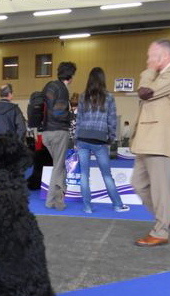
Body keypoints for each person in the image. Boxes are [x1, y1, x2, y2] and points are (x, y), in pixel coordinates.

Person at [130, 39, 170, 247]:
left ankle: (162, 230)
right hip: (145, 141)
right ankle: (165, 221)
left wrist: (148, 70)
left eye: (151, 56)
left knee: (160, 191)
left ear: (164, 57)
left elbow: (146, 92)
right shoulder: (158, 76)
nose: (148, 60)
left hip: (159, 140)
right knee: (138, 184)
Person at [75, 67, 130, 214]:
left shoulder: (82, 96)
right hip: (100, 140)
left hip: (82, 138)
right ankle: (117, 205)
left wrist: (76, 139)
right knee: (106, 174)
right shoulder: (109, 97)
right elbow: (112, 120)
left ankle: (87, 207)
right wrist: (111, 138)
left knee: (84, 175)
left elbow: (78, 120)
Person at [42, 61, 77, 211]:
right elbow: (58, 112)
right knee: (58, 167)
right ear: (70, 76)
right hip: (58, 132)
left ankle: (56, 200)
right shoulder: (63, 90)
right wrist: (71, 116)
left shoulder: (49, 86)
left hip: (46, 133)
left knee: (59, 166)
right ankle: (52, 201)